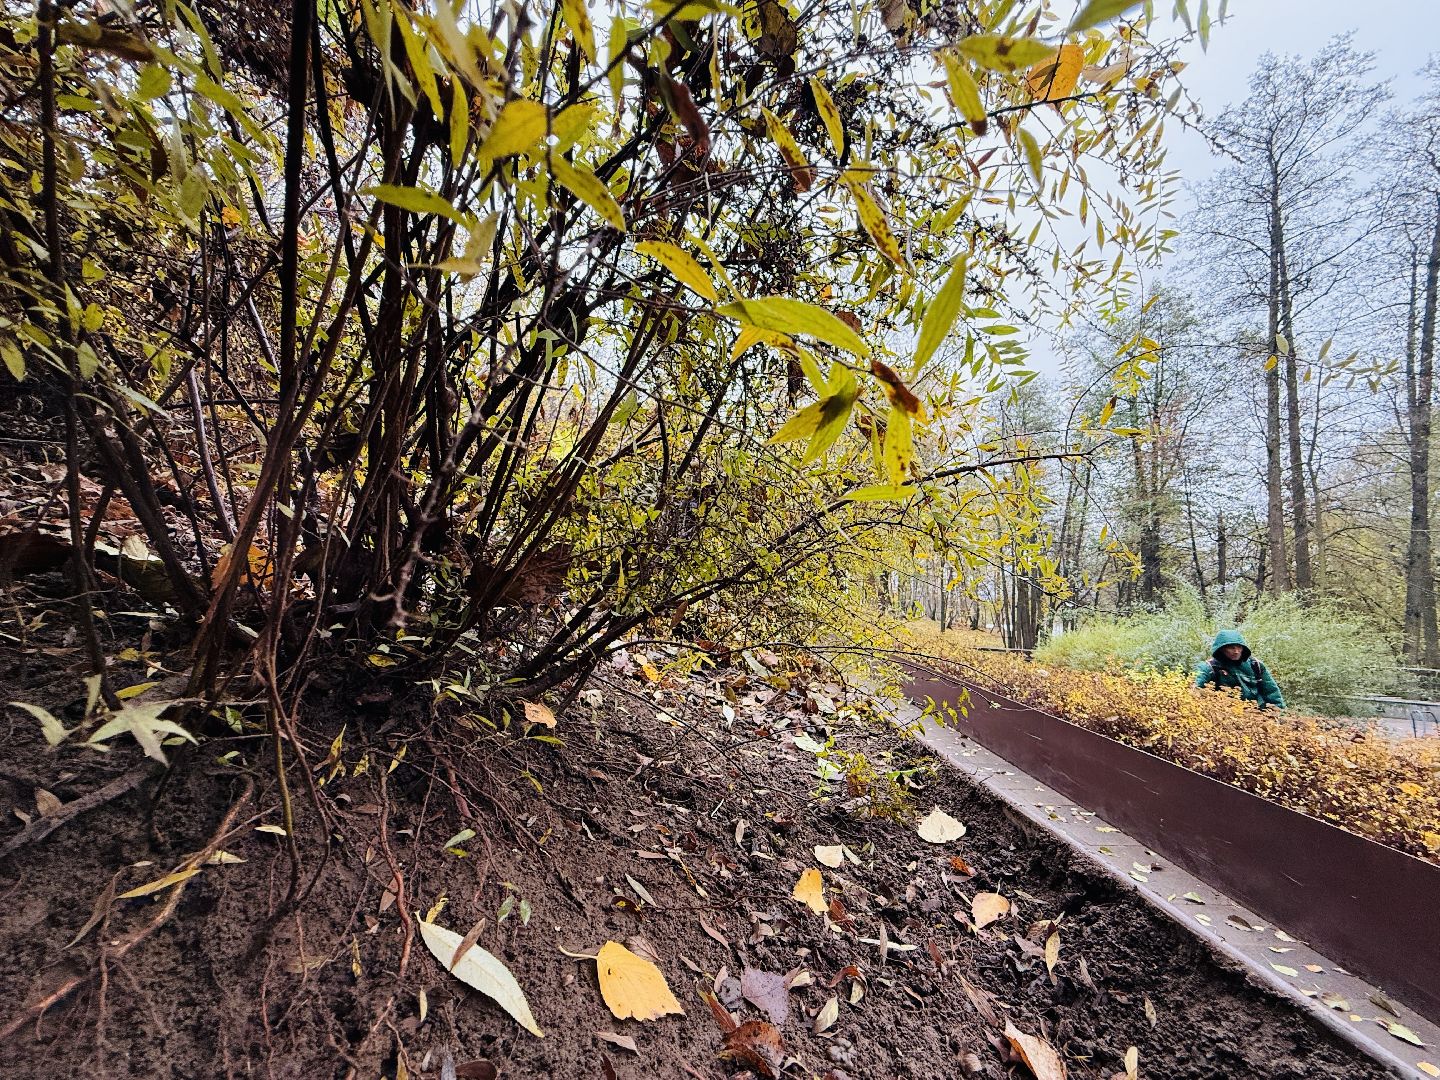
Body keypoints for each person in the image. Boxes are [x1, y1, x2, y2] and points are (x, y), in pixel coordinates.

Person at [1194, 629, 1285, 709]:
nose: (1236, 651)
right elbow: (1195, 688)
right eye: (1231, 648)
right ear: (1222, 649)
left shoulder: (1255, 665)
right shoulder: (1209, 667)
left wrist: (1278, 716)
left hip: (1257, 714)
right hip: (1225, 714)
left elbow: (1272, 693)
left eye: (1239, 647)